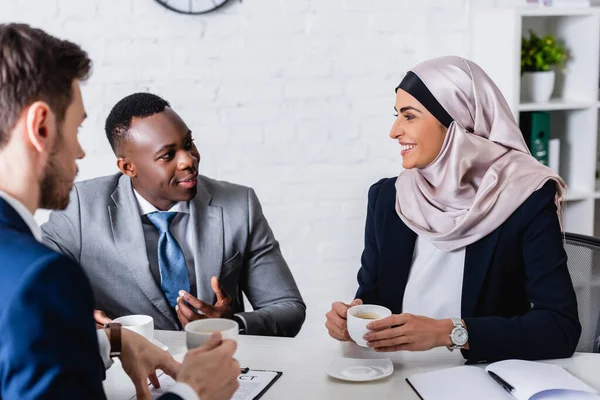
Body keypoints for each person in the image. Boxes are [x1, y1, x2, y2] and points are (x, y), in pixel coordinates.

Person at [0, 23, 240, 400]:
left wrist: (109, 342)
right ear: (42, 127)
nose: (79, 152)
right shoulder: (41, 278)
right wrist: (193, 393)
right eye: (76, 128)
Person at [325, 56, 581, 363]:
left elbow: (559, 328)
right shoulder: (387, 198)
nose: (394, 131)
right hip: (395, 378)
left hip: (481, 380)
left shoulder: (525, 197)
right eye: (396, 116)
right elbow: (374, 297)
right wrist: (353, 318)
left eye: (409, 116)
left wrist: (447, 333)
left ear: (457, 123)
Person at [41, 92, 306, 336]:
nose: (188, 160)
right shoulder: (78, 208)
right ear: (128, 167)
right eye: (168, 155)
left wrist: (232, 324)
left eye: (188, 143)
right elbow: (29, 287)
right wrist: (73, 315)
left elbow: (288, 308)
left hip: (221, 370)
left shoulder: (239, 205)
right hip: (128, 377)